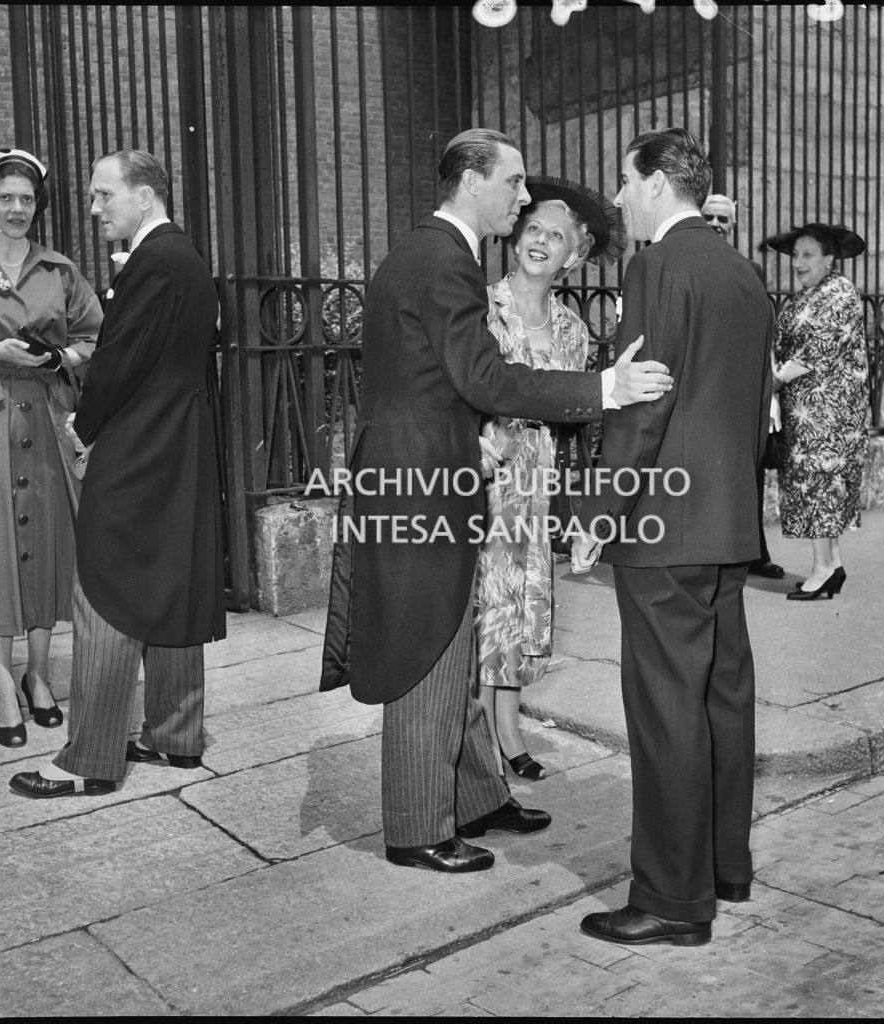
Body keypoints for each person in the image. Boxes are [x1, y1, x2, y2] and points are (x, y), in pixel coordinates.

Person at [319, 128, 673, 874]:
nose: (521, 198)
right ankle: (416, 828)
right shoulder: (443, 263)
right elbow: (486, 379)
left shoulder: (432, 254)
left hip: (425, 473)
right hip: (423, 484)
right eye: (513, 184)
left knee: (456, 638)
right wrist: (604, 389)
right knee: (430, 650)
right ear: (472, 181)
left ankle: (474, 795)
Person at [571, 127, 773, 947]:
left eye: (624, 180)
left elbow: (640, 404)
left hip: (664, 524)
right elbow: (756, 405)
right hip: (726, 521)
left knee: (665, 713)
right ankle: (724, 866)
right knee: (722, 698)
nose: (617, 196)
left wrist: (595, 518)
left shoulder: (656, 264)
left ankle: (670, 899)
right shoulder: (740, 270)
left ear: (657, 183)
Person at [10, 149, 225, 798]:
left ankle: (91, 760)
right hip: (179, 445)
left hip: (139, 449)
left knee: (103, 588)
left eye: (106, 195)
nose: (96, 208)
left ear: (145, 196)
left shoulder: (154, 263)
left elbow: (119, 360)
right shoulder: (185, 258)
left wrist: (84, 425)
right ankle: (175, 736)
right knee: (173, 578)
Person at [475, 177, 625, 782]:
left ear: (574, 254)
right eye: (533, 228)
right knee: (486, 610)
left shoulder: (571, 330)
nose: (540, 240)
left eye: (556, 236)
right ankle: (485, 739)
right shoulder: (484, 307)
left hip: (534, 491)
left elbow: (574, 412)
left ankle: (507, 726)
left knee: (519, 609)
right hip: (483, 482)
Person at [0, 147, 102, 748]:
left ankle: (38, 674)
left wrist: (60, 356)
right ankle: (1, 683)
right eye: (6, 197)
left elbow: (94, 337)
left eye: (27, 200)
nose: (16, 209)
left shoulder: (59, 270)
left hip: (46, 418)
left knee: (41, 549)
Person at [759, 222, 870, 601]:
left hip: (830, 414)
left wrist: (773, 380)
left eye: (807, 255)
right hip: (809, 413)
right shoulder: (804, 297)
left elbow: (815, 349)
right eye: (795, 255)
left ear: (828, 259)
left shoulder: (838, 293)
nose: (798, 262)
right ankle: (832, 564)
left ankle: (823, 569)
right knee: (814, 485)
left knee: (820, 485)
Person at [701, 192, 784, 580]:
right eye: (710, 217)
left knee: (751, 472)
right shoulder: (687, 260)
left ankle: (754, 552)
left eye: (724, 220)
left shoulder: (749, 268)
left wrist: (768, 395)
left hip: (743, 387)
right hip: (703, 384)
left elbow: (763, 325)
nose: (717, 224)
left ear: (733, 227)